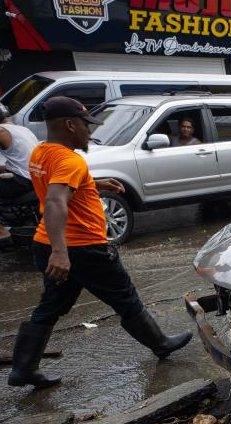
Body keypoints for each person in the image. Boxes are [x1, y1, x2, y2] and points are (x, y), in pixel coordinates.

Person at [8, 96, 192, 389]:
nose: (89, 131)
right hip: (82, 248)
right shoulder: (70, 159)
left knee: (50, 307)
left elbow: (59, 186)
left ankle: (23, 369)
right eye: (85, 125)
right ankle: (161, 343)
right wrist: (61, 252)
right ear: (69, 124)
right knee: (125, 298)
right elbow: (55, 201)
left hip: (49, 243)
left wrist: (95, 184)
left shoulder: (42, 153)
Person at [0, 103, 39, 241]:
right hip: (36, 177)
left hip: (22, 181)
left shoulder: (1, 131)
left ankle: (2, 232)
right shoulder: (23, 129)